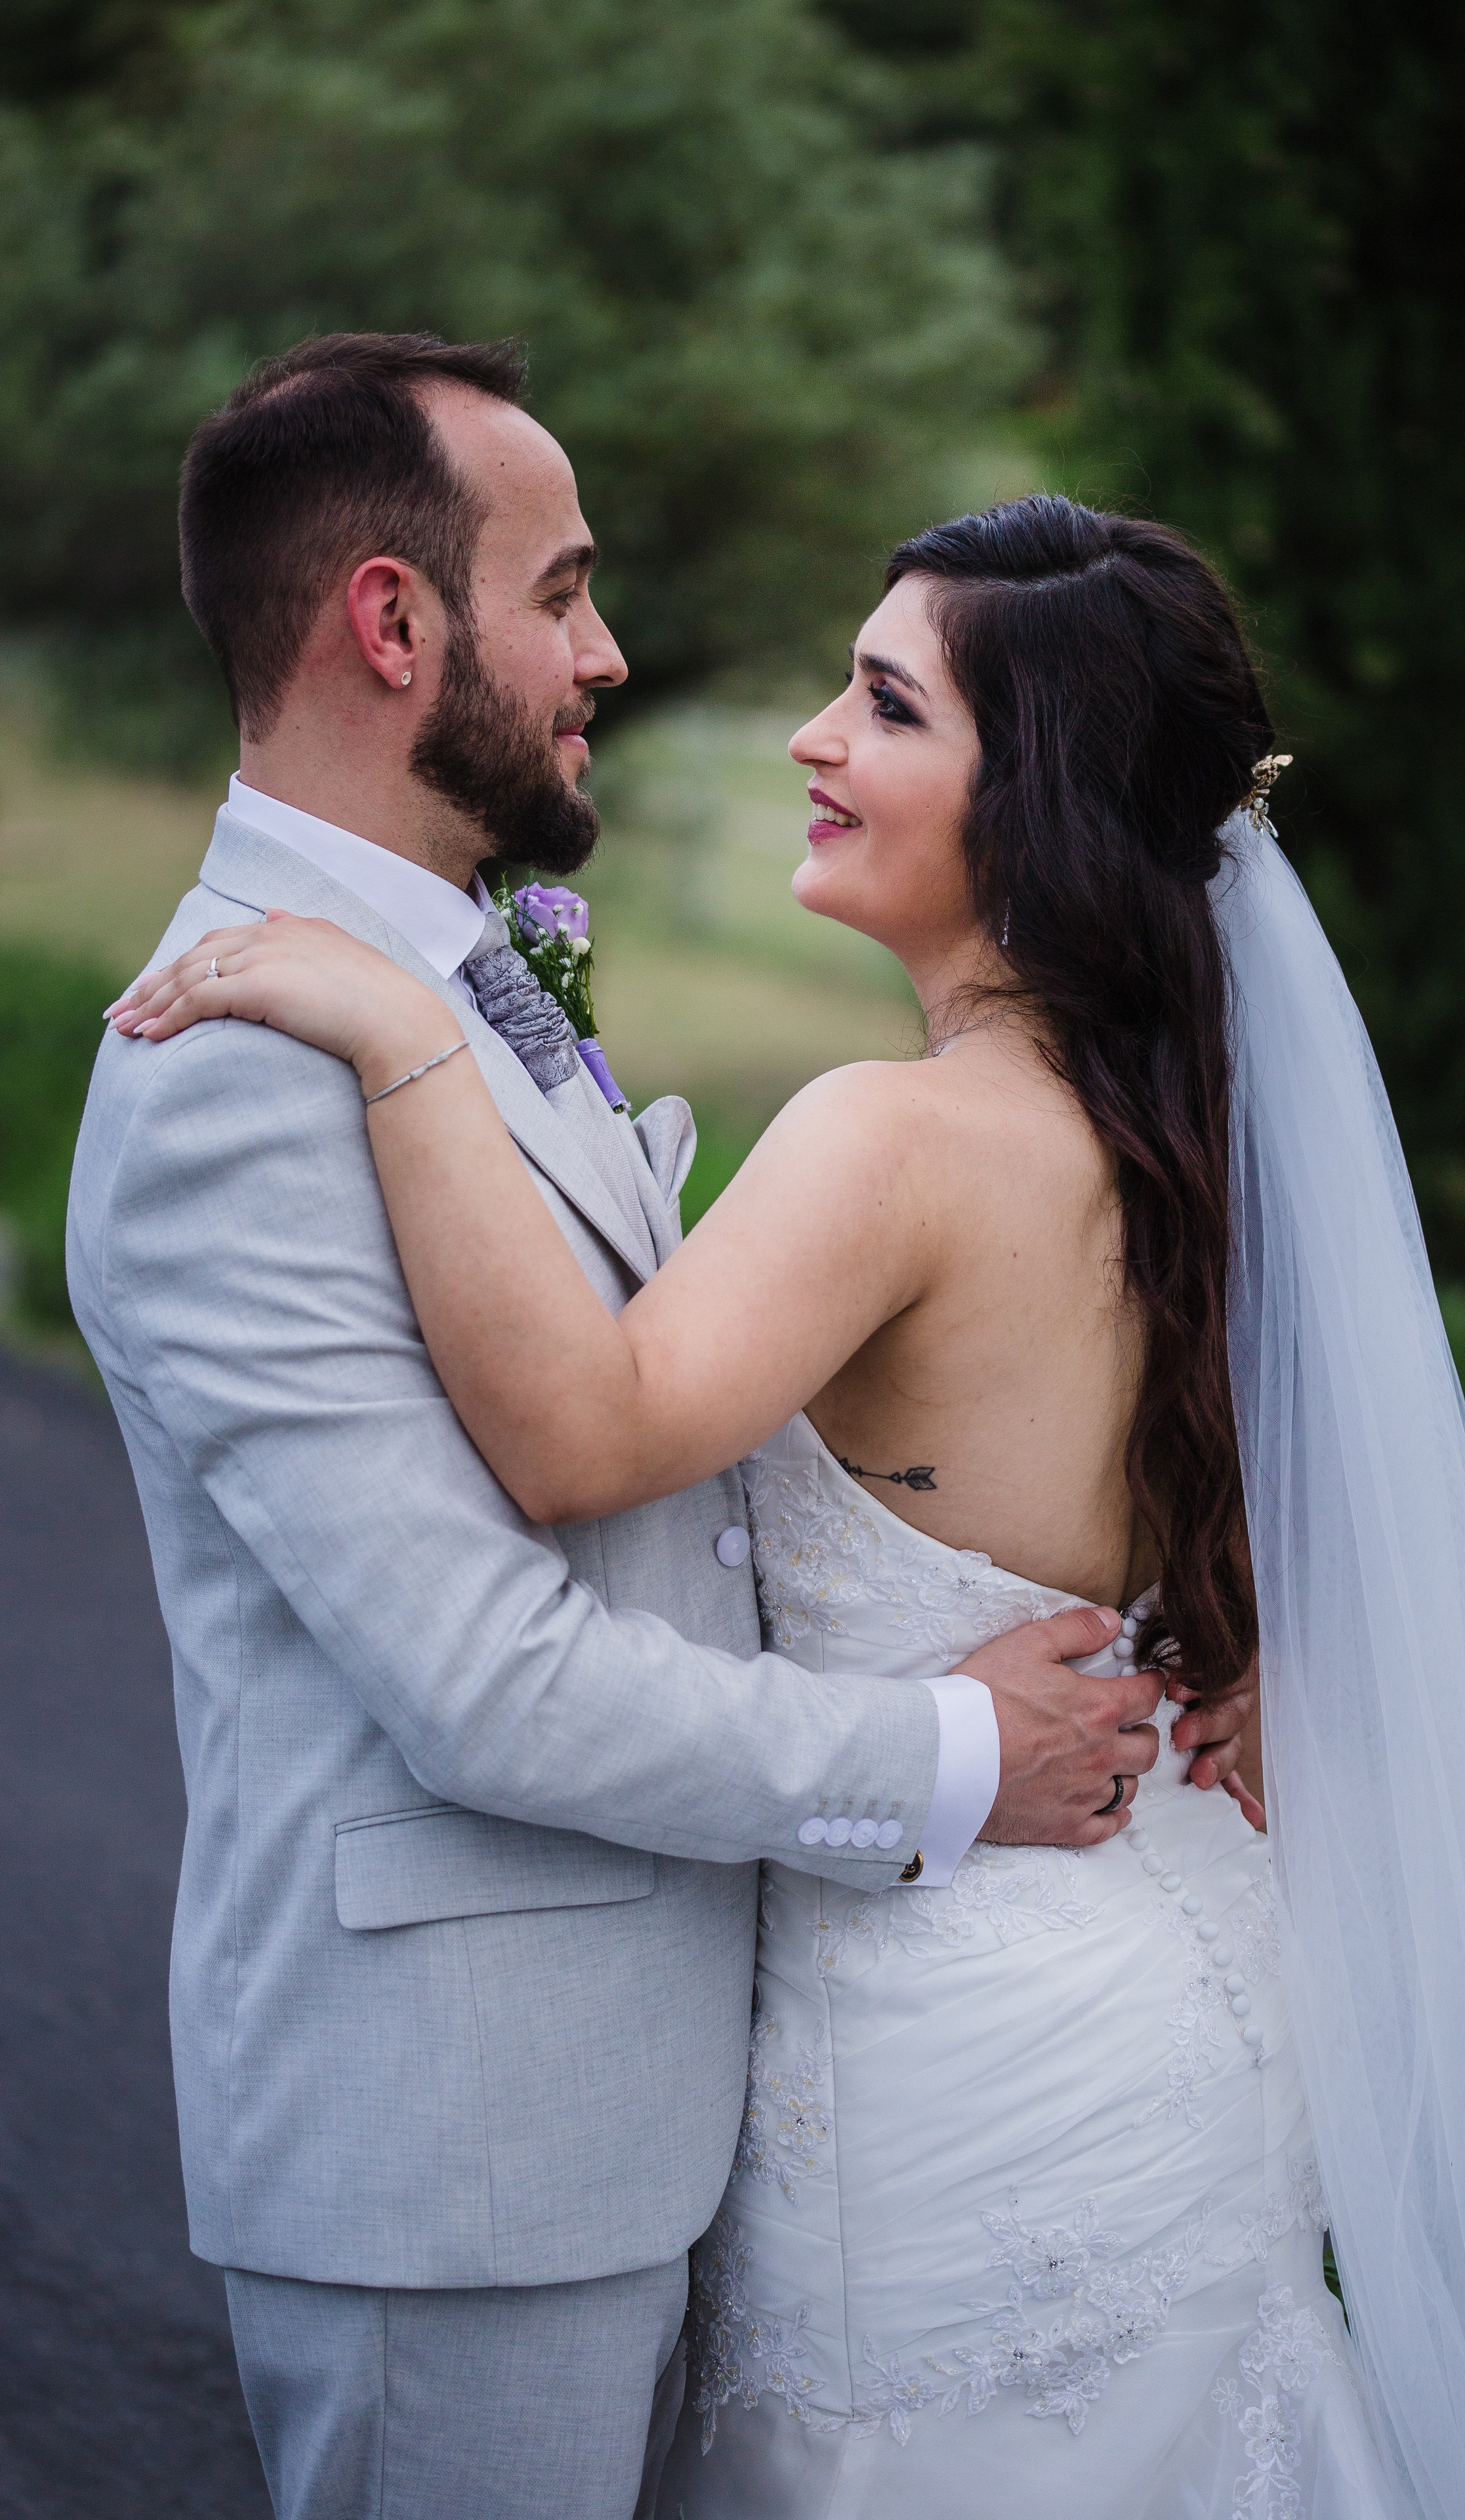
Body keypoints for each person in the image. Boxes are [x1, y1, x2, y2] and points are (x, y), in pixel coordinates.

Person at [121, 487, 1465, 2520]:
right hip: (1167, 1984)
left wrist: (408, 1031)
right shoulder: (1182, 1133)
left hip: (958, 2054)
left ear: (1028, 798)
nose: (811, 741)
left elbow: (585, 1437)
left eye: (883, 706)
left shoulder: (897, 1139)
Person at [70, 339, 1257, 2520]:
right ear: (394, 625)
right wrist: (962, 1753)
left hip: (734, 2108)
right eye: (568, 590)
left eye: (886, 703)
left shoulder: (456, 984)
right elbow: (483, 1680)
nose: (611, 651)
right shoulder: (240, 1060)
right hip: (464, 2167)